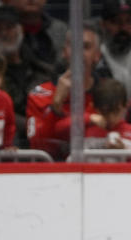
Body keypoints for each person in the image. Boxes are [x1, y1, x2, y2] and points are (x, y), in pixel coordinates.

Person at [0, 4, 53, 147]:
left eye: (9, 27)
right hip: (3, 147)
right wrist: (30, 126)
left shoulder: (43, 70)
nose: (4, 33)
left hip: (43, 145)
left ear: (20, 30)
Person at [25, 21, 102, 159]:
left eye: (86, 47)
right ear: (64, 52)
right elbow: (37, 145)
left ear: (97, 55)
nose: (78, 53)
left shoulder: (108, 93)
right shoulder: (40, 94)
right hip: (51, 172)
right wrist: (56, 106)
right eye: (73, 46)